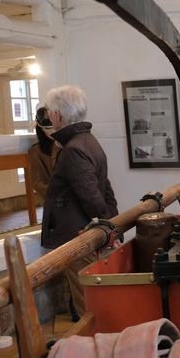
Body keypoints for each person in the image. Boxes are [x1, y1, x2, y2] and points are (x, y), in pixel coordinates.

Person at [42, 85, 118, 319]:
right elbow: (105, 189)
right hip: (89, 233)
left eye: (49, 111)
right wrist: (113, 225)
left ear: (57, 115)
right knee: (97, 300)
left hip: (81, 236)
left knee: (88, 304)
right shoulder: (87, 141)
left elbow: (92, 197)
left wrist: (109, 230)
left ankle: (93, 351)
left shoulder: (73, 148)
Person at [26, 106, 59, 205]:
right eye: (48, 128)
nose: (52, 131)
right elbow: (38, 183)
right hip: (55, 201)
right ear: (41, 128)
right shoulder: (36, 151)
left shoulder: (69, 144)